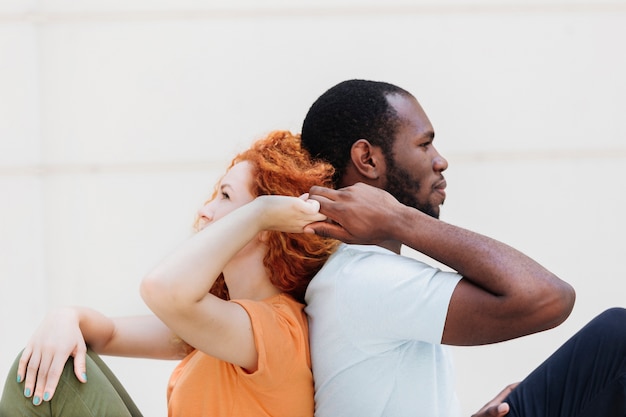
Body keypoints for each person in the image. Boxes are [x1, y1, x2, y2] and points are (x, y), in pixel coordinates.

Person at [299, 79, 626, 417]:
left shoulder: (357, 275)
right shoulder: (364, 278)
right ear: (367, 159)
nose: (440, 161)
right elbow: (549, 298)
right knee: (617, 338)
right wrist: (398, 219)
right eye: (424, 144)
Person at [0, 130, 339, 417]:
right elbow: (109, 333)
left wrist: (262, 211)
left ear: (267, 227)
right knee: (47, 363)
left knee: (33, 376)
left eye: (225, 196)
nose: (205, 210)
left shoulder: (277, 331)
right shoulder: (216, 324)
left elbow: (161, 289)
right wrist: (65, 317)